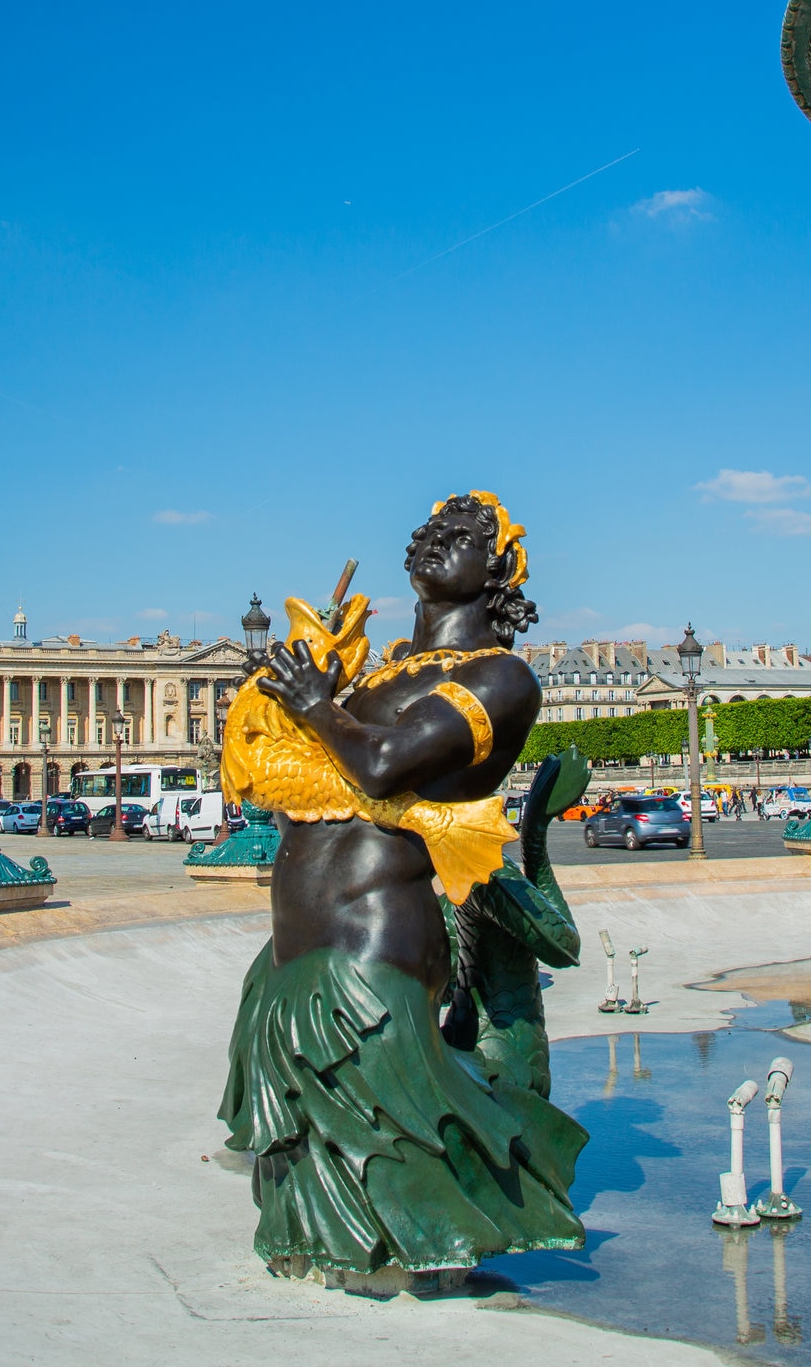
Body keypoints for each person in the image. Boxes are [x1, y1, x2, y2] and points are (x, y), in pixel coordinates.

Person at [219, 491, 583, 1282]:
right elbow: (304, 772)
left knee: (390, 1145)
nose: (430, 538)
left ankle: (440, 1248)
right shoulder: (381, 675)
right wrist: (291, 697)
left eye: (459, 534)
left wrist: (319, 706)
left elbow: (382, 765)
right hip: (299, 944)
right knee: (318, 1166)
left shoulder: (500, 677)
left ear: (501, 572)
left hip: (374, 941)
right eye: (427, 529)